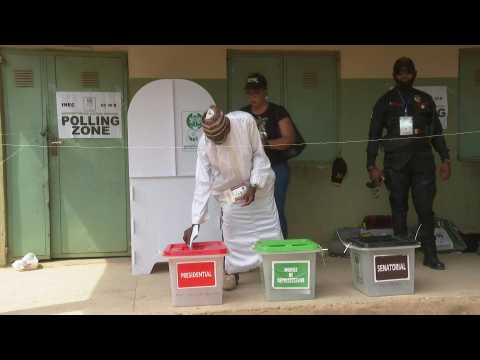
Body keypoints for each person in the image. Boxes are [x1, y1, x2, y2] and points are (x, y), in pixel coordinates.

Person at [182, 105, 283, 290]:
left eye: (222, 138)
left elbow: (259, 155)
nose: (219, 142)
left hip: (258, 183)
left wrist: (253, 185)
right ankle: (232, 272)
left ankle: (274, 271)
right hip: (231, 190)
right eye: (215, 140)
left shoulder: (245, 122)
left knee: (268, 228)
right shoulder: (204, 144)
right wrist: (195, 222)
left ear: (227, 126)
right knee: (230, 225)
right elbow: (202, 183)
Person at [366, 57, 452, 270]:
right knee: (398, 207)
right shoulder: (385, 100)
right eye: (400, 72)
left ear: (415, 73)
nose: (404, 76)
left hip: (422, 162)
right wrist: (371, 165)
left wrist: (445, 158)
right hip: (396, 163)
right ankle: (400, 256)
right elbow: (374, 134)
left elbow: (437, 133)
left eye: (408, 72)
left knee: (425, 208)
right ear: (394, 75)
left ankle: (430, 255)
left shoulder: (425, 99)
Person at [241, 73, 296, 239]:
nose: (253, 96)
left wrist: (265, 144)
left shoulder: (277, 111)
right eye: (250, 92)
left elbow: (289, 140)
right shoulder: (243, 114)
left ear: (265, 92)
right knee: (248, 209)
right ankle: (254, 251)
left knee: (276, 209)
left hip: (276, 167)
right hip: (249, 170)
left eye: (256, 92)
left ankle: (281, 250)